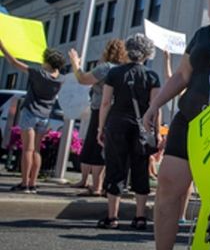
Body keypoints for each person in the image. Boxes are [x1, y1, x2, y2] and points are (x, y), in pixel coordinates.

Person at [142, 25, 210, 249]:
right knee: (167, 186)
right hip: (189, 118)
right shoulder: (204, 33)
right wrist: (155, 105)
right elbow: (182, 74)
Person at [96, 33, 161, 230]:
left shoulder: (114, 74)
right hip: (142, 127)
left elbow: (106, 102)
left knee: (116, 168)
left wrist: (101, 127)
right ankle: (140, 217)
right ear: (148, 53)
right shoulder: (152, 76)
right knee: (141, 169)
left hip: (117, 123)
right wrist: (157, 132)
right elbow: (155, 106)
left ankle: (112, 217)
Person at [0, 40, 65, 194]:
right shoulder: (60, 79)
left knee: (27, 150)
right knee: (36, 150)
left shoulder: (38, 74)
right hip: (45, 116)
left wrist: (2, 46)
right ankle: (33, 183)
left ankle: (24, 184)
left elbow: (14, 62)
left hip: (30, 113)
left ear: (48, 62)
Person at [68, 39, 128, 197]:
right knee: (107, 149)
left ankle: (96, 186)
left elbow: (82, 79)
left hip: (101, 109)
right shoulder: (124, 69)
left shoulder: (106, 68)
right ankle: (103, 185)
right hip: (118, 112)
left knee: (96, 148)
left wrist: (75, 63)